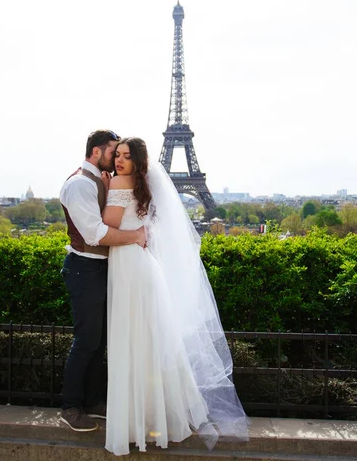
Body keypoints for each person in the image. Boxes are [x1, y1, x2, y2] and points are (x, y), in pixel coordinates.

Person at [103, 137, 249, 455]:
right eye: (118, 155)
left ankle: (137, 421)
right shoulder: (143, 184)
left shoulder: (117, 182)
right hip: (143, 266)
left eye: (126, 157)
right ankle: (162, 418)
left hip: (130, 266)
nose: (119, 161)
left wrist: (104, 193)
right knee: (149, 343)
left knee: (133, 342)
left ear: (138, 161)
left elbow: (108, 225)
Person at [59, 130, 146, 432]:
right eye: (113, 152)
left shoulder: (102, 181)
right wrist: (135, 236)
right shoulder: (81, 184)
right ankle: (70, 407)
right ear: (97, 152)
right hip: (85, 268)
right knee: (86, 342)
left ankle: (93, 401)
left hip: (103, 268)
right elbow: (95, 233)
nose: (118, 157)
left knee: (99, 343)